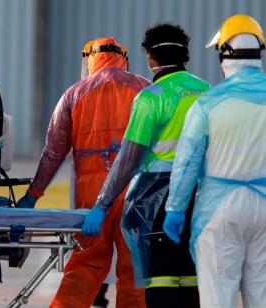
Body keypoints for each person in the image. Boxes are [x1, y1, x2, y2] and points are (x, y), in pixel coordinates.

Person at [82, 24, 210, 308]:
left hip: (157, 198)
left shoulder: (151, 98)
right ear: (185, 55)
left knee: (161, 280)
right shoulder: (205, 91)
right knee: (191, 278)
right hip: (200, 195)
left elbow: (128, 159)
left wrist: (103, 203)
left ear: (151, 57)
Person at [16, 37, 149, 307]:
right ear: (123, 58)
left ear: (89, 59)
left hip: (91, 196)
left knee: (85, 265)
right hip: (136, 192)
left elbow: (53, 152)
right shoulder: (144, 89)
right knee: (134, 271)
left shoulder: (75, 94)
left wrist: (33, 195)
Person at [163, 15, 266, 307]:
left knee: (217, 296)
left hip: (219, 210)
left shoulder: (208, 104)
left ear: (224, 54)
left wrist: (175, 208)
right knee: (264, 296)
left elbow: (187, 163)